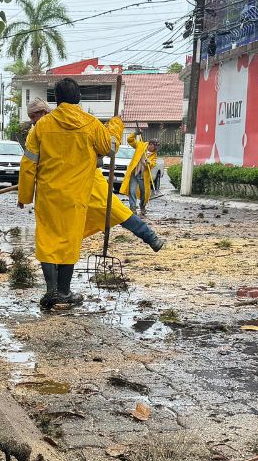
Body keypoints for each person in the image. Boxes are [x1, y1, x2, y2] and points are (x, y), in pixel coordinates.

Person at [18, 84, 163, 310]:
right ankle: (63, 292)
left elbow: (28, 164)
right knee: (69, 240)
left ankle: (52, 291)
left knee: (47, 240)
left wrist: (25, 195)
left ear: (55, 100)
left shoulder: (41, 128)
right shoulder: (91, 124)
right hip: (77, 195)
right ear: (79, 98)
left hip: (48, 195)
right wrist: (115, 125)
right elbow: (110, 147)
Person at [120, 133, 159, 215]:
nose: (156, 148)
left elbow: (153, 164)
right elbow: (129, 140)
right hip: (134, 172)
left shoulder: (154, 155)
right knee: (132, 190)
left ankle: (142, 206)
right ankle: (133, 208)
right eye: (155, 146)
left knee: (144, 193)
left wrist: (149, 163)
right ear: (150, 144)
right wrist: (135, 133)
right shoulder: (140, 145)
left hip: (143, 176)